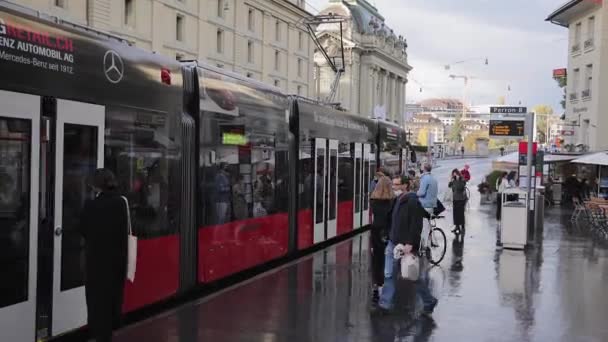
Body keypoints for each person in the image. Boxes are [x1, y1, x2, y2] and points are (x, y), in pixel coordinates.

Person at [79, 169, 128, 342]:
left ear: (94, 185)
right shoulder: (121, 203)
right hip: (116, 262)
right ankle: (108, 331)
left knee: (96, 301)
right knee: (112, 298)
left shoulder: (90, 205)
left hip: (95, 263)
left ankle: (99, 333)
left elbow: (83, 230)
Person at [376, 176, 435, 315]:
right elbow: (392, 219)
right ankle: (385, 304)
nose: (394, 187)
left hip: (405, 245)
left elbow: (416, 225)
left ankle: (429, 301)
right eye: (393, 184)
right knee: (389, 274)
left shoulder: (413, 202)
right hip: (393, 243)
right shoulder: (397, 200)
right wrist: (387, 234)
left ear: (405, 186)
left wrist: (410, 243)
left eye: (397, 185)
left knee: (411, 275)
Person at [369, 176, 395, 302]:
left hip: (375, 231)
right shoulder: (391, 202)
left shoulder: (373, 200)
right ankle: (385, 284)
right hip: (386, 231)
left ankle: (375, 285)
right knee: (387, 258)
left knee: (376, 259)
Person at [417, 163, 439, 252]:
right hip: (432, 205)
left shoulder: (425, 179)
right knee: (427, 226)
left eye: (421, 166)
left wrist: (415, 193)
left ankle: (424, 246)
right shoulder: (433, 178)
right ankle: (428, 244)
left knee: (423, 227)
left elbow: (421, 193)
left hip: (424, 205)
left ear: (424, 169)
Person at [449, 169, 467, 236]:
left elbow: (460, 187)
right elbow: (449, 185)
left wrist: (458, 180)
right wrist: (451, 180)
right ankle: (457, 226)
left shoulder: (461, 180)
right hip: (455, 199)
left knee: (460, 213)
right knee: (455, 213)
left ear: (457, 173)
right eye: (453, 174)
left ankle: (462, 226)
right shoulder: (454, 180)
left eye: (455, 174)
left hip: (461, 199)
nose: (454, 175)